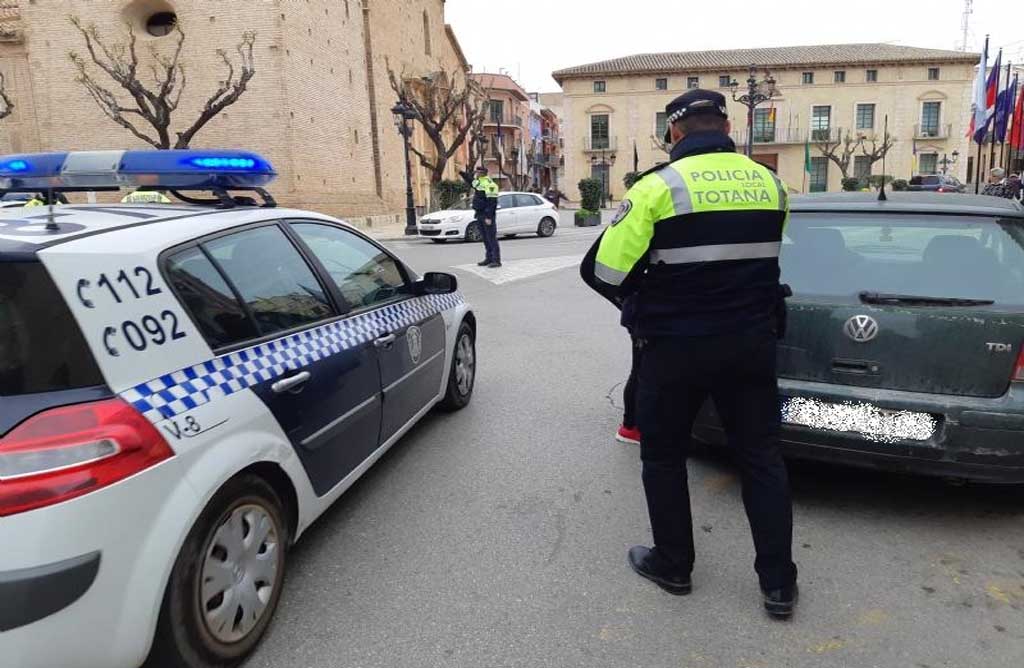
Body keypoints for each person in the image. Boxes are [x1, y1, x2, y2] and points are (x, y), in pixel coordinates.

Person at [581, 89, 798, 618]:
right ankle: (778, 585)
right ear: (726, 128)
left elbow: (602, 272)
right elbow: (764, 261)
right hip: (750, 343)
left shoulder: (658, 186)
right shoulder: (772, 184)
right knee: (762, 458)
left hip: (675, 347)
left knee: (663, 456)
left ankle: (674, 565)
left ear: (674, 133)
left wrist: (643, 297)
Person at [461, 165, 501, 268]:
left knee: (491, 238)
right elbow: (471, 181)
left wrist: (488, 217)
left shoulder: (490, 184)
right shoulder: (479, 182)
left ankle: (496, 260)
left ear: (482, 173)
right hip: (479, 213)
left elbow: (492, 202)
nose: (476, 174)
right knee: (485, 238)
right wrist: (462, 173)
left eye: (478, 172)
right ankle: (489, 258)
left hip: (486, 215)